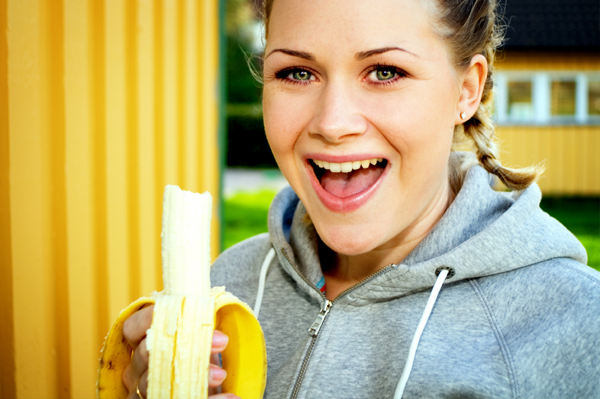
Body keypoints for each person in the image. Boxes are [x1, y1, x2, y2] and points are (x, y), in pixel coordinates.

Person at [122, 0, 600, 397]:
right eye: (296, 73)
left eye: (385, 71)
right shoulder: (228, 287)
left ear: (467, 90)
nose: (332, 123)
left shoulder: (574, 323)